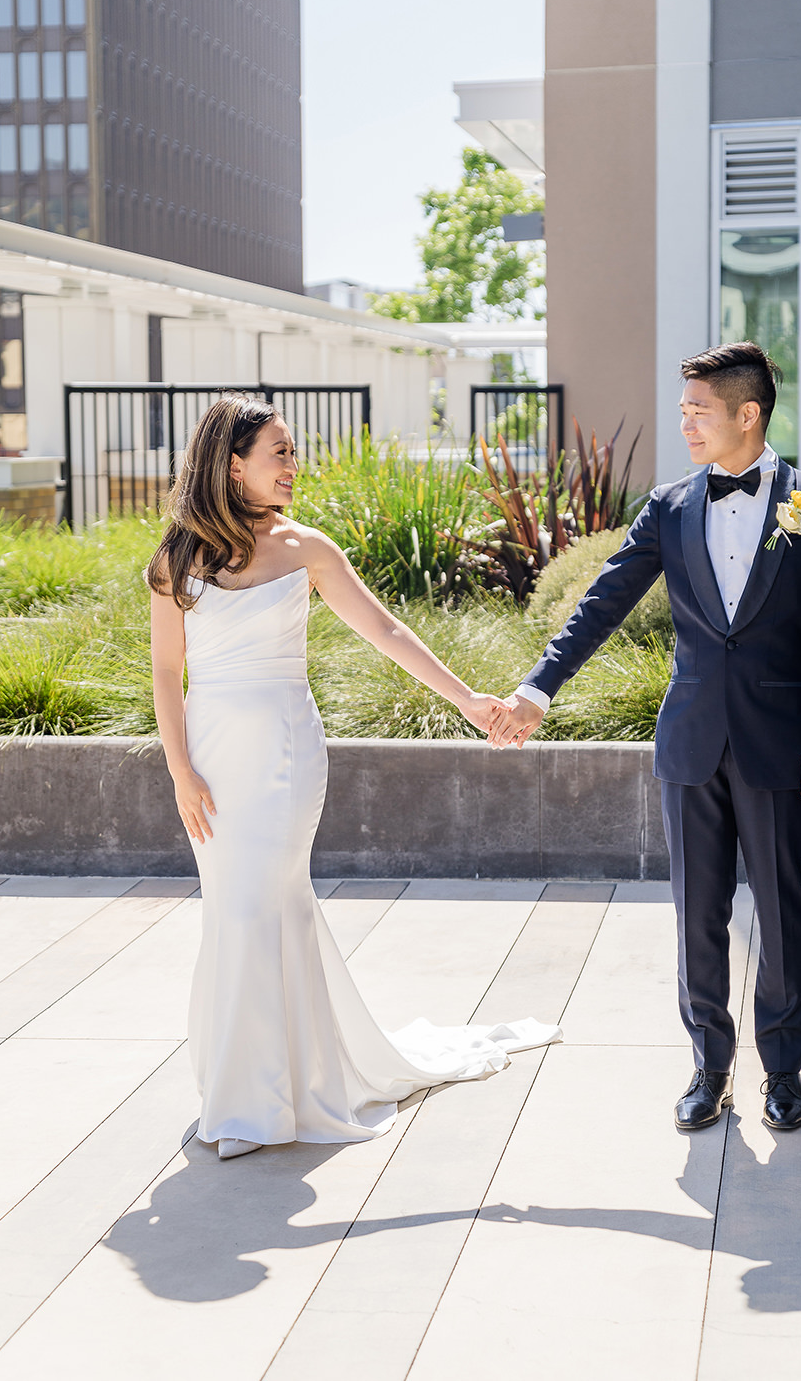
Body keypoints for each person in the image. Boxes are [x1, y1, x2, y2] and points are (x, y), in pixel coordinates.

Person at [147, 395, 560, 1161]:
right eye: (279, 452)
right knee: (238, 910)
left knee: (259, 904)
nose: (292, 466)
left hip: (283, 750)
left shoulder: (308, 549)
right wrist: (178, 770)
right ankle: (255, 1085)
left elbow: (385, 630)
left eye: (292, 452)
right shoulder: (178, 557)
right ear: (232, 464)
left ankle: (253, 1104)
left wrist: (468, 698)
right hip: (210, 755)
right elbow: (167, 672)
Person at [489, 342, 801, 1133]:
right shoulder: (669, 505)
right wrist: (536, 689)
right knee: (698, 910)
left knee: (785, 909)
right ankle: (710, 1065)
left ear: (747, 414)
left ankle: (785, 1072)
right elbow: (601, 604)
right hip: (691, 743)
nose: (685, 424)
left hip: (780, 744)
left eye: (698, 411)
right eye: (684, 410)